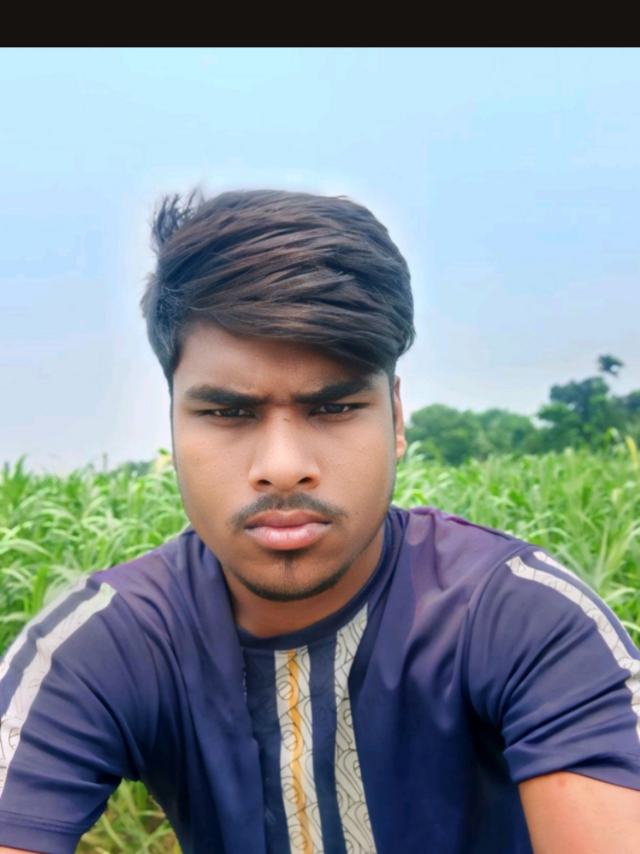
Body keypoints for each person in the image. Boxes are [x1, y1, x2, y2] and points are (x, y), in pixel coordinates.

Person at [0, 190, 639, 854]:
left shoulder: (521, 619)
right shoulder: (105, 645)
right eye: (227, 413)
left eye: (333, 408)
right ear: (172, 422)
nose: (282, 468)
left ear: (396, 418)